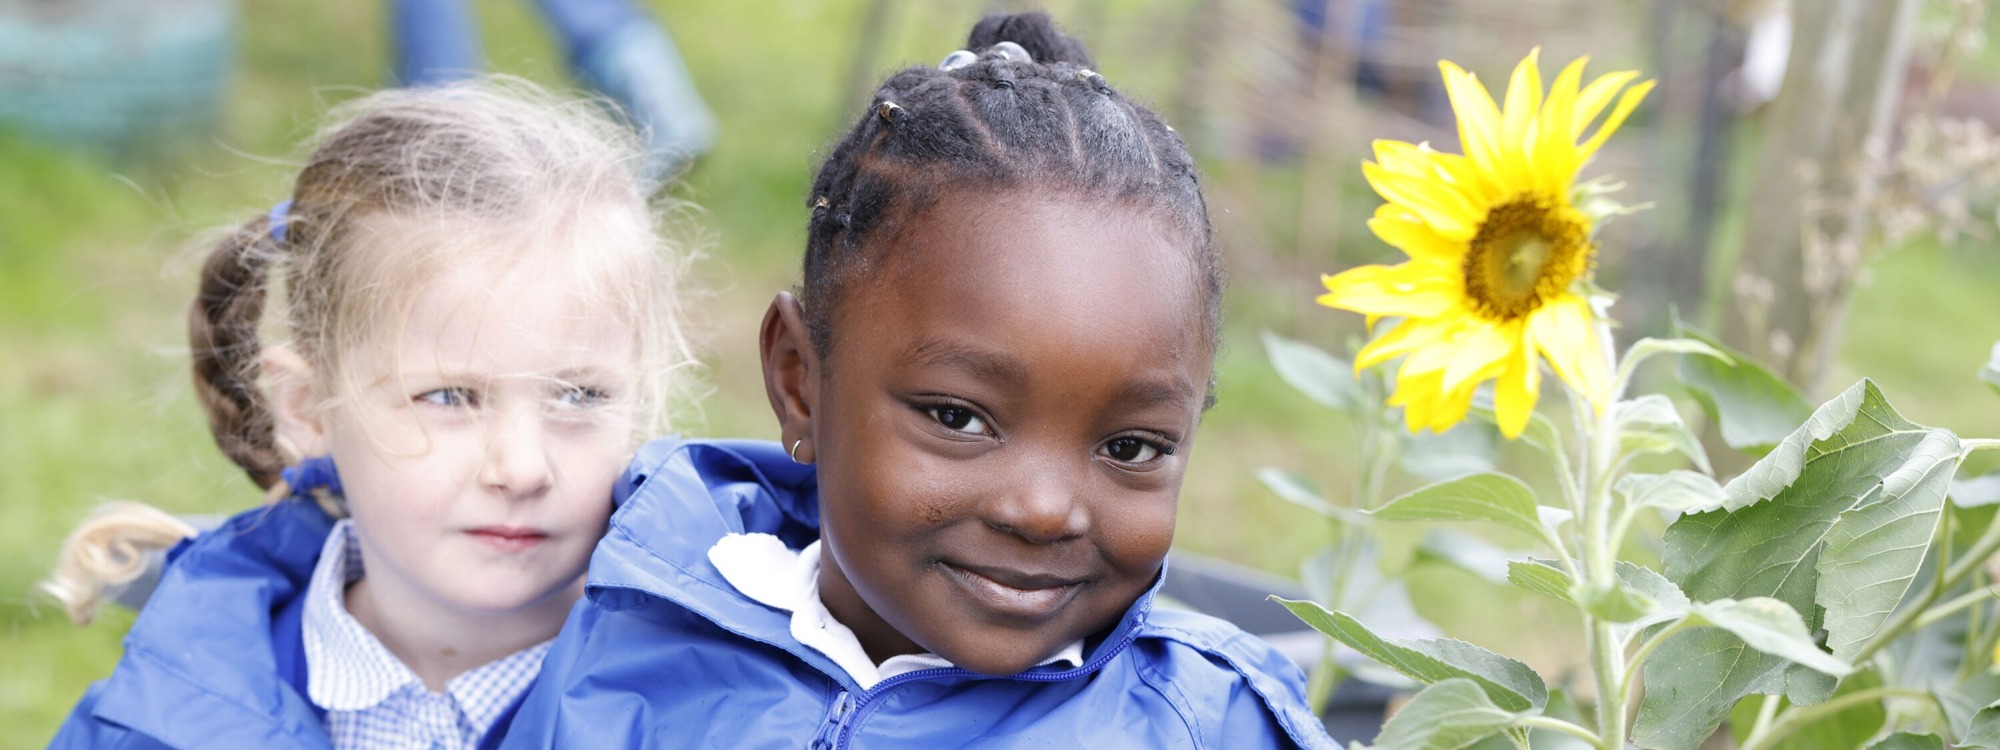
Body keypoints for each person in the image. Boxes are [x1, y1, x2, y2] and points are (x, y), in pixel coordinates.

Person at [500, 13, 1335, 748]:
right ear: (799, 380)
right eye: (959, 418)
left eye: (1130, 446)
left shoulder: (1209, 728)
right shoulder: (629, 636)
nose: (1045, 509)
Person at [45, 78, 698, 749]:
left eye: (578, 396)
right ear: (307, 408)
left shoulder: (717, 708)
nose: (522, 468)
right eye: (449, 398)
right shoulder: (156, 719)